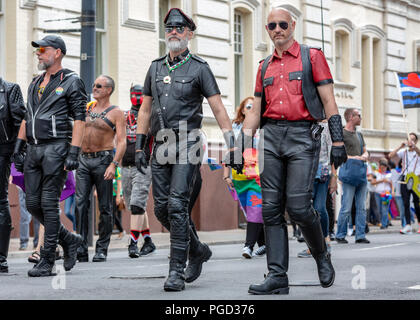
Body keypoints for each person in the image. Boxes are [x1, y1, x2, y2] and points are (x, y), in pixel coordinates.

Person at [228, 8, 347, 295]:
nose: (277, 29)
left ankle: (321, 254)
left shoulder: (312, 56)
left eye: (283, 24)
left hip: (302, 137)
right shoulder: (263, 66)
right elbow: (256, 111)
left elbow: (328, 99)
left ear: (292, 25)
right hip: (270, 137)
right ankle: (278, 276)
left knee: (299, 206)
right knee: (269, 209)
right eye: (272, 25)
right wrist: (240, 146)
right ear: (267, 30)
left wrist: (339, 140)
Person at [135, 8, 234, 291]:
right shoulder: (155, 67)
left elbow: (217, 107)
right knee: (163, 210)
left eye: (179, 28)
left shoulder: (200, 68)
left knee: (177, 205)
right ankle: (198, 250)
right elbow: (145, 108)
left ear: (190, 33)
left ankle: (176, 271)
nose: (173, 32)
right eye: (169, 28)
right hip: (161, 144)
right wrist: (139, 144)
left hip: (188, 142)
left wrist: (235, 147)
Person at [11, 35, 85, 277]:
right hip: (33, 149)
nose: (39, 53)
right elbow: (26, 116)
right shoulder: (34, 82)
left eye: (43, 49)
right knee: (32, 203)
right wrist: (18, 146)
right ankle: (69, 240)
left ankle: (47, 258)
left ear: (58, 53)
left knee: (49, 205)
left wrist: (73, 151)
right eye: (37, 50)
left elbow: (80, 120)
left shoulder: (72, 81)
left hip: (57, 148)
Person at [75, 75, 126, 263]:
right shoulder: (88, 108)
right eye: (94, 85)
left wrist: (114, 164)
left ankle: (102, 248)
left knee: (105, 207)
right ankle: (80, 247)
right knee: (81, 204)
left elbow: (122, 141)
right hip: (83, 161)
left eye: (99, 86)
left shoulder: (116, 112)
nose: (94, 88)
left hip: (103, 161)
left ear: (108, 90)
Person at [223, 96, 266, 259]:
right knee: (251, 212)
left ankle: (248, 246)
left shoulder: (263, 127)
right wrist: (226, 175)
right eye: (248, 106)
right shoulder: (235, 127)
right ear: (241, 109)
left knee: (255, 209)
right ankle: (263, 244)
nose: (251, 109)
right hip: (239, 177)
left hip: (258, 178)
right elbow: (230, 152)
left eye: (253, 107)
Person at [121, 84, 156, 258]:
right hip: (125, 165)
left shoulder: (151, 115)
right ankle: (148, 241)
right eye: (133, 94)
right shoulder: (124, 116)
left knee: (136, 205)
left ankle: (133, 243)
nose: (136, 97)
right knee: (134, 206)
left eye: (139, 94)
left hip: (143, 165)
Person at [297, 120, 337, 258]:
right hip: (303, 169)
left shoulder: (326, 126)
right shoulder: (301, 123)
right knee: (305, 210)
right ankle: (312, 246)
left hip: (322, 170)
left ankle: (326, 240)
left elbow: (333, 152)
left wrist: (334, 176)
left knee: (320, 208)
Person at [0, 76, 25, 273]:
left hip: (2, 151)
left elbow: (20, 124)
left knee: (0, 200)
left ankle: (1, 258)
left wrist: (18, 153)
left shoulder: (9, 89)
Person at [335, 108, 370, 244]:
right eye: (358, 115)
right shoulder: (342, 133)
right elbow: (340, 153)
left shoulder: (359, 135)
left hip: (361, 174)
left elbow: (365, 151)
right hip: (349, 174)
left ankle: (360, 235)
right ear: (350, 117)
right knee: (346, 207)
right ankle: (340, 234)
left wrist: (365, 156)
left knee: (361, 207)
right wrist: (354, 157)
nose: (360, 118)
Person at [388, 132, 420, 234]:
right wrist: (400, 146)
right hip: (405, 179)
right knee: (405, 203)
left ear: (416, 141)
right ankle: (408, 225)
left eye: (413, 139)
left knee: (417, 203)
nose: (410, 141)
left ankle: (419, 223)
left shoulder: (417, 152)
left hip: (415, 179)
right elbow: (390, 155)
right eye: (409, 139)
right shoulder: (404, 152)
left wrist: (415, 148)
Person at [370, 158, 393, 229]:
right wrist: (381, 180)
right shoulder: (376, 173)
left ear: (386, 167)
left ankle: (384, 224)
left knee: (385, 209)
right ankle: (383, 222)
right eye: (381, 167)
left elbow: (392, 184)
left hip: (386, 193)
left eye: (384, 167)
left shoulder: (390, 174)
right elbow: (372, 182)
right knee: (379, 209)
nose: (382, 169)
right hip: (377, 193)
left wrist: (392, 191)